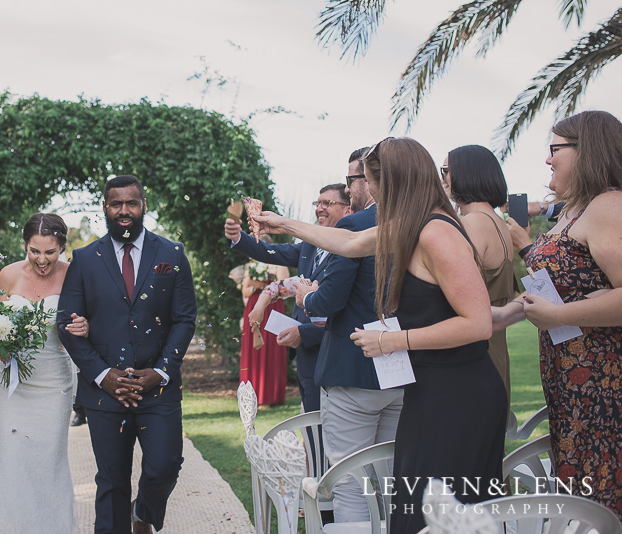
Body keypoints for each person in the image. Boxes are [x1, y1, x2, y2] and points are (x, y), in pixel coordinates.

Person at [251, 138, 506, 534]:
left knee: (442, 519)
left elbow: (476, 324)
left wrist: (393, 341)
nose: (370, 194)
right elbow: (349, 242)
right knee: (412, 515)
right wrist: (281, 223)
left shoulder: (437, 233)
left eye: (372, 183)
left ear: (394, 183)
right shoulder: (411, 226)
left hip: (458, 397)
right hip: (427, 390)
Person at [491, 110, 622, 518]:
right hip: (570, 384)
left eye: (555, 149)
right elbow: (562, 290)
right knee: (580, 499)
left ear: (587, 151)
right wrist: (503, 314)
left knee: (601, 501)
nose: (548, 160)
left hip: (604, 385)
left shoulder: (608, 206)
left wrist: (560, 316)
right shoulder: (573, 210)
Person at [58, 175, 197, 534]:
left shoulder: (171, 255)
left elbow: (184, 319)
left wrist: (162, 371)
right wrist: (104, 376)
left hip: (159, 389)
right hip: (105, 393)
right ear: (105, 207)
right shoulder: (85, 259)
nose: (124, 210)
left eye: (131, 203)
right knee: (112, 480)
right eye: (116, 203)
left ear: (143, 205)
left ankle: (143, 512)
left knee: (165, 466)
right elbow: (66, 324)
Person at [285, 147, 404, 524]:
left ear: (368, 180)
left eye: (354, 179)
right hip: (399, 364)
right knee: (385, 479)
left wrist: (307, 296)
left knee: (350, 483)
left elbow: (328, 300)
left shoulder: (353, 227)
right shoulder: (418, 222)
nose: (352, 187)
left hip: (353, 367)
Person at [0, 213, 88, 533]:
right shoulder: (8, 275)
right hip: (13, 384)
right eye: (34, 251)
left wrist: (86, 326)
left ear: (62, 248)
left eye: (50, 252)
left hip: (54, 383)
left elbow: (92, 320)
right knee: (11, 461)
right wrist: (1, 348)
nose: (42, 260)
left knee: (48, 464)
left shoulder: (75, 275)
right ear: (25, 246)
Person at [224, 184, 351, 413]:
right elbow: (272, 253)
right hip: (305, 357)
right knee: (310, 431)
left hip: (334, 357)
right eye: (317, 203)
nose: (319, 209)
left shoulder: (351, 251)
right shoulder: (311, 246)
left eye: (327, 203)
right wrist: (238, 238)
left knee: (329, 435)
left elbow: (347, 309)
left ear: (348, 210)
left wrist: (305, 333)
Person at [441, 145, 515, 400]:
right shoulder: (498, 222)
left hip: (473, 355)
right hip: (496, 351)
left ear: (466, 173)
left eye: (445, 171)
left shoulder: (471, 224)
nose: (442, 180)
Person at [239, 250, 289, 406]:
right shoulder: (251, 265)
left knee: (272, 347)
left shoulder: (278, 263)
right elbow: (245, 290)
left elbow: (286, 289)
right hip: (254, 306)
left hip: (272, 308)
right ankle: (250, 395)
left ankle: (270, 396)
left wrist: (267, 288)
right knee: (252, 350)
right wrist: (258, 286)